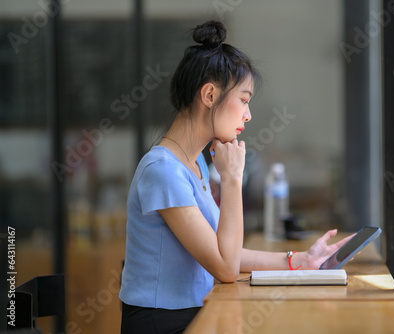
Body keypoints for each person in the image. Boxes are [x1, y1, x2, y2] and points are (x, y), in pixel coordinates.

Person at [119, 20, 353, 334]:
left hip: (193, 315)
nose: (248, 114)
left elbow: (225, 253)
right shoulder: (161, 170)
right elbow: (226, 268)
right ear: (209, 95)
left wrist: (300, 260)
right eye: (244, 100)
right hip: (162, 323)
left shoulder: (194, 165)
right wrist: (232, 179)